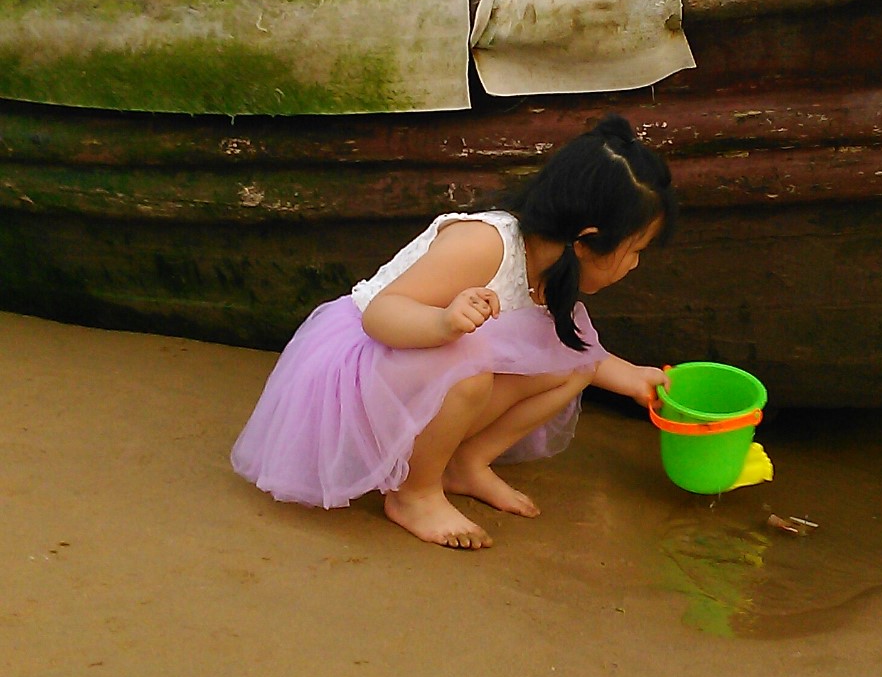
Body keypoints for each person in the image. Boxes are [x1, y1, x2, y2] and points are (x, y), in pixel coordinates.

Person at [231, 114, 674, 549]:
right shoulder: (485, 244)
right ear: (586, 239)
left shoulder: (550, 271)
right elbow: (379, 315)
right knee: (469, 364)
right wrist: (442, 323)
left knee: (573, 366)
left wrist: (636, 378)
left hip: (420, 372)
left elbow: (567, 348)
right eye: (634, 251)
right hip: (360, 370)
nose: (635, 265)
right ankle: (414, 495)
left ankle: (465, 463)